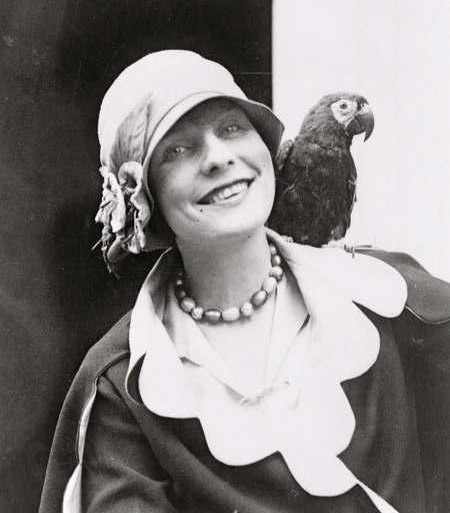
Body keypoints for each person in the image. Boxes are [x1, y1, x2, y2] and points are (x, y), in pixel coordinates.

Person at [39, 50, 450, 513]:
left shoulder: (391, 296)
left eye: (233, 128)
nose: (219, 158)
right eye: (177, 149)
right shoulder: (123, 388)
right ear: (145, 198)